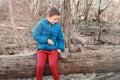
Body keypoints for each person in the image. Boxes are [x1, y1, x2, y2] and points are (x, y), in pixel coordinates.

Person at [32, 7, 65, 80]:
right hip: (42, 49)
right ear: (48, 17)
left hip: (53, 50)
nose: (56, 21)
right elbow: (35, 35)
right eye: (54, 19)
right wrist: (46, 40)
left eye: (57, 19)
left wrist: (60, 48)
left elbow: (60, 39)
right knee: (40, 65)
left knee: (52, 64)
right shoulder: (41, 24)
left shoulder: (57, 26)